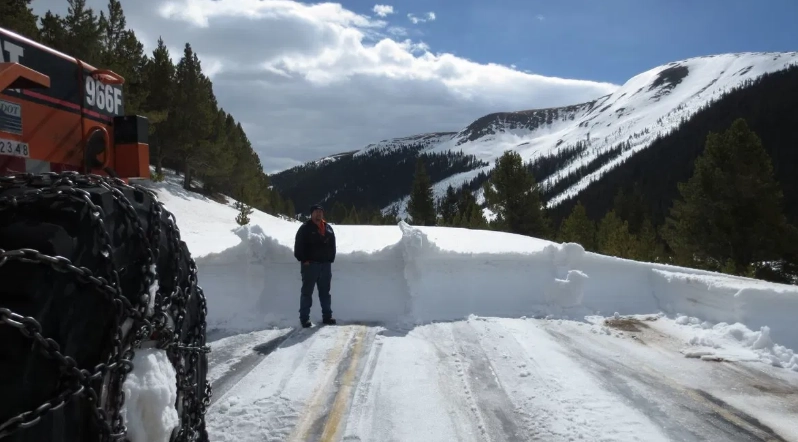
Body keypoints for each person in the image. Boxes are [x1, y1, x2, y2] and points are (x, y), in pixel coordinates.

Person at [293, 204, 337, 327]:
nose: (318, 214)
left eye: (320, 212)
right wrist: (304, 259)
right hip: (310, 265)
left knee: (325, 293)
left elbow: (332, 245)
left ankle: (327, 317)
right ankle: (304, 318)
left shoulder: (328, 228)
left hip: (325, 265)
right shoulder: (305, 228)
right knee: (307, 293)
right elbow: (298, 246)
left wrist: (330, 260)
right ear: (311, 214)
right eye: (316, 212)